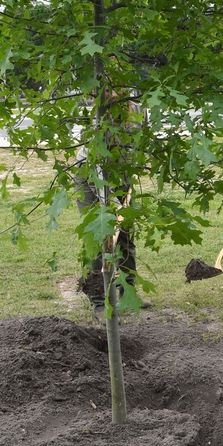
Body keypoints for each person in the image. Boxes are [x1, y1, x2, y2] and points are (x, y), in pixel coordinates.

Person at [74, 87, 150, 321]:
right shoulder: (96, 116)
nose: (114, 94)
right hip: (91, 175)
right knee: (100, 236)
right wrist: (111, 203)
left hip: (122, 173)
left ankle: (128, 292)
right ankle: (99, 302)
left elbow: (142, 140)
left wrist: (135, 166)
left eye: (117, 87)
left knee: (126, 235)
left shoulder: (138, 110)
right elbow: (97, 165)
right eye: (107, 89)